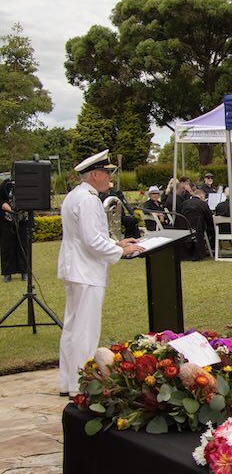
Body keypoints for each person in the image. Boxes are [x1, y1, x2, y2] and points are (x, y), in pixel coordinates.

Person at [58, 150, 145, 396]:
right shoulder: (88, 199)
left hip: (76, 268)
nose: (109, 177)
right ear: (94, 174)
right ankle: (81, 385)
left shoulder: (76, 195)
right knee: (85, 331)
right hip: (86, 270)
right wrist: (122, 252)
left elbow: (89, 234)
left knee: (73, 328)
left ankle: (67, 382)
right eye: (106, 173)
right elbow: (91, 239)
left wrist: (116, 243)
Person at [0, 178, 27, 282]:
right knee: (7, 247)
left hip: (23, 219)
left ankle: (24, 271)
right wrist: (11, 210)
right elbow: (1, 200)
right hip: (8, 220)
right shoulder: (5, 184)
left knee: (23, 246)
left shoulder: (26, 184)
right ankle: (7, 273)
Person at [178, 189, 214, 260]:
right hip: (198, 228)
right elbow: (210, 217)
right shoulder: (203, 204)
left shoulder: (184, 203)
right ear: (201, 196)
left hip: (185, 228)